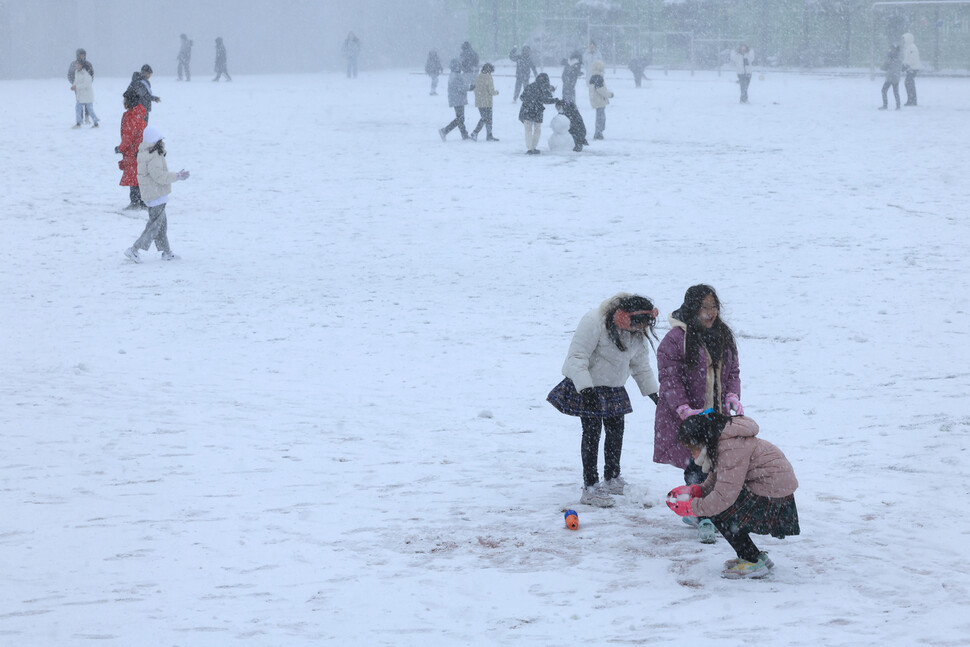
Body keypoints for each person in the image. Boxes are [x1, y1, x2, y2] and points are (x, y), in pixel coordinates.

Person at [547, 293, 660, 508]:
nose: (640, 330)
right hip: (587, 384)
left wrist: (653, 393)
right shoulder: (594, 321)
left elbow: (640, 364)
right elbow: (577, 357)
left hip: (614, 386)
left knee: (616, 430)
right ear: (625, 318)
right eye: (638, 325)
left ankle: (612, 477)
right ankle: (590, 487)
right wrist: (585, 389)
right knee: (592, 433)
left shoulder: (637, 332)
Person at [654, 284, 742, 542]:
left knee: (716, 464)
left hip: (716, 416)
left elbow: (733, 372)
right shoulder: (675, 339)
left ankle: (712, 509)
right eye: (705, 308)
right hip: (689, 417)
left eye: (714, 307)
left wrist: (732, 396)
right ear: (693, 308)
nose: (710, 313)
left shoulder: (723, 335)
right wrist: (684, 409)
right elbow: (669, 379)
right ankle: (699, 513)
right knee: (696, 465)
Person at [666, 412, 799, 579]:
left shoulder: (730, 447)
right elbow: (719, 478)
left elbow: (723, 496)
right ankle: (755, 557)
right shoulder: (722, 441)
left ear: (702, 440)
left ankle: (752, 561)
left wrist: (692, 508)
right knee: (717, 507)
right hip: (770, 489)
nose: (692, 455)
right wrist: (698, 490)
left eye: (692, 449)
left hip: (773, 493)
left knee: (719, 510)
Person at [125, 126, 190, 263]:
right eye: (160, 139)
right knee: (154, 226)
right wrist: (177, 176)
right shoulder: (153, 156)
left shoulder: (146, 153)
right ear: (155, 141)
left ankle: (166, 252)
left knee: (161, 226)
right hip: (156, 195)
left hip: (153, 194)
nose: (162, 142)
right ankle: (134, 249)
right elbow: (159, 176)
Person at [115, 89, 148, 210]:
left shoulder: (132, 117)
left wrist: (120, 148)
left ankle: (135, 202)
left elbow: (128, 136)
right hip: (138, 150)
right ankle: (142, 202)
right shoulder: (138, 114)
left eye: (124, 99)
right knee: (138, 177)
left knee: (134, 179)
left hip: (133, 152)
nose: (123, 102)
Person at [518, 72, 556, 155]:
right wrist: (555, 99)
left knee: (528, 130)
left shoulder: (530, 86)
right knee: (537, 130)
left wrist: (530, 101)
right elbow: (547, 100)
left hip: (527, 110)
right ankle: (533, 147)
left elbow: (522, 97)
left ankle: (530, 148)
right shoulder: (544, 88)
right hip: (537, 111)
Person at [438, 59, 470, 141]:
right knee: (460, 118)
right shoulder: (456, 76)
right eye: (459, 66)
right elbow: (461, 87)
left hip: (456, 99)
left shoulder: (453, 75)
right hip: (458, 99)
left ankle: (464, 135)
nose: (461, 68)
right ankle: (444, 131)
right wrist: (470, 87)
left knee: (460, 118)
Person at [470, 63, 499, 141]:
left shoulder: (478, 77)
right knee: (487, 119)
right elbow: (491, 91)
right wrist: (496, 92)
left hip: (479, 101)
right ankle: (478, 133)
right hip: (487, 101)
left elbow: (475, 89)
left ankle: (487, 135)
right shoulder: (488, 77)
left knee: (484, 118)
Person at [67, 49, 95, 125]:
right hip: (77, 88)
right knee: (79, 103)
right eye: (81, 55)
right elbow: (70, 75)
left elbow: (91, 74)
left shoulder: (88, 64)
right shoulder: (74, 64)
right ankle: (80, 119)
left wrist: (88, 83)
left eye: (84, 55)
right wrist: (74, 84)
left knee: (87, 103)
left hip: (86, 88)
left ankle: (87, 117)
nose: (83, 56)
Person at [69, 58, 99, 128]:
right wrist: (73, 86)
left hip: (87, 95)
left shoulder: (86, 73)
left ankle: (96, 122)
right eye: (76, 64)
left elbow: (86, 84)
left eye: (78, 64)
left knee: (90, 109)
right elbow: (76, 81)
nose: (76, 65)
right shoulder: (76, 72)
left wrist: (77, 87)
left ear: (82, 65)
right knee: (78, 108)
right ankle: (78, 123)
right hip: (80, 95)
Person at [588, 60, 613, 140]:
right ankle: (598, 133)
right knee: (601, 118)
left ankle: (598, 132)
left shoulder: (593, 77)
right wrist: (609, 95)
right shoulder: (599, 78)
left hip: (595, 100)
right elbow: (600, 90)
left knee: (600, 117)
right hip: (599, 100)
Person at [879, 44, 902, 110]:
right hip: (896, 77)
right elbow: (901, 67)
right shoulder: (899, 58)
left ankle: (885, 105)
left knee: (884, 91)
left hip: (890, 77)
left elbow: (883, 67)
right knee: (896, 92)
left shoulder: (890, 58)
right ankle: (898, 106)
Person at [901, 32, 920, 106]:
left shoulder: (912, 47)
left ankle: (912, 100)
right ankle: (911, 100)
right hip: (910, 68)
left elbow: (913, 58)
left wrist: (907, 65)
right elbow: (907, 58)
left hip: (912, 68)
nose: (903, 41)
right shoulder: (908, 47)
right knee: (909, 84)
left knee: (909, 83)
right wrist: (904, 64)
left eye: (904, 39)